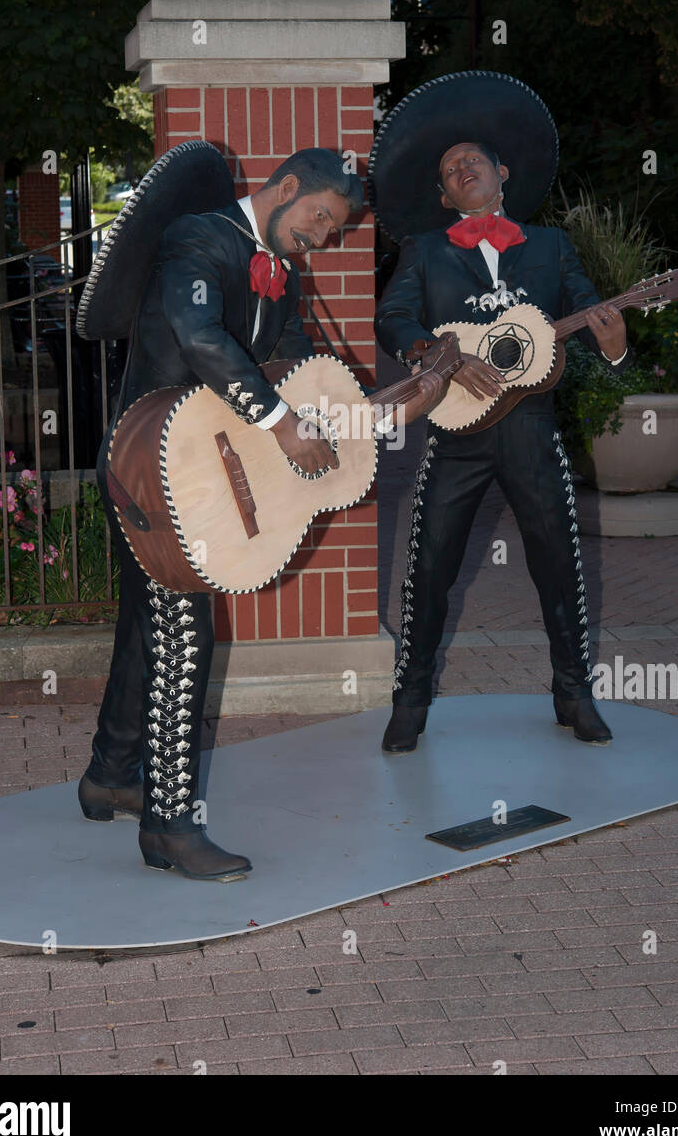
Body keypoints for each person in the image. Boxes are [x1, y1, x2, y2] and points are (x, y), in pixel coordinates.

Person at [75, 145, 363, 878]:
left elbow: (295, 363)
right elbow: (198, 336)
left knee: (149, 623)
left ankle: (110, 774)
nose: (324, 238)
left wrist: (349, 413)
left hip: (197, 463)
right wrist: (278, 422)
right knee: (185, 634)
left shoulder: (281, 275)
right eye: (321, 219)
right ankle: (169, 828)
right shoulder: (199, 238)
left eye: (334, 230)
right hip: (154, 466)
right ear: (287, 188)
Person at [368, 71, 633, 755]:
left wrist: (614, 342)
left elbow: (586, 307)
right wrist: (437, 353)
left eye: (474, 162)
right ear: (442, 192)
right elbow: (391, 317)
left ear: (501, 173)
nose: (463, 171)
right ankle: (411, 698)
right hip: (455, 427)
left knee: (557, 560)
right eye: (451, 170)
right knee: (429, 566)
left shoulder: (549, 246)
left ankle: (572, 692)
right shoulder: (424, 251)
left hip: (531, 426)